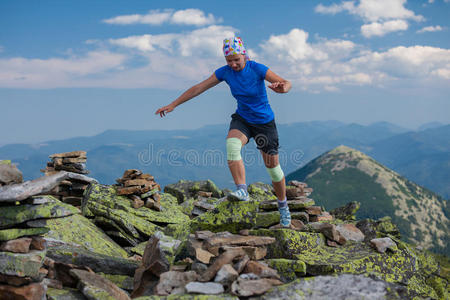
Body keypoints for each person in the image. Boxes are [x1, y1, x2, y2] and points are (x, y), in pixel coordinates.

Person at [155, 37, 292, 227]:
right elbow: (199, 87)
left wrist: (282, 88)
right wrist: (173, 105)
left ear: (244, 55)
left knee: (274, 170)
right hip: (243, 119)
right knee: (232, 144)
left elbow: (285, 83)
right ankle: (242, 190)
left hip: (264, 123)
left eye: (237, 59)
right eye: (229, 60)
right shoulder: (225, 72)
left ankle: (283, 206)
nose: (233, 64)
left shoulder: (257, 68)